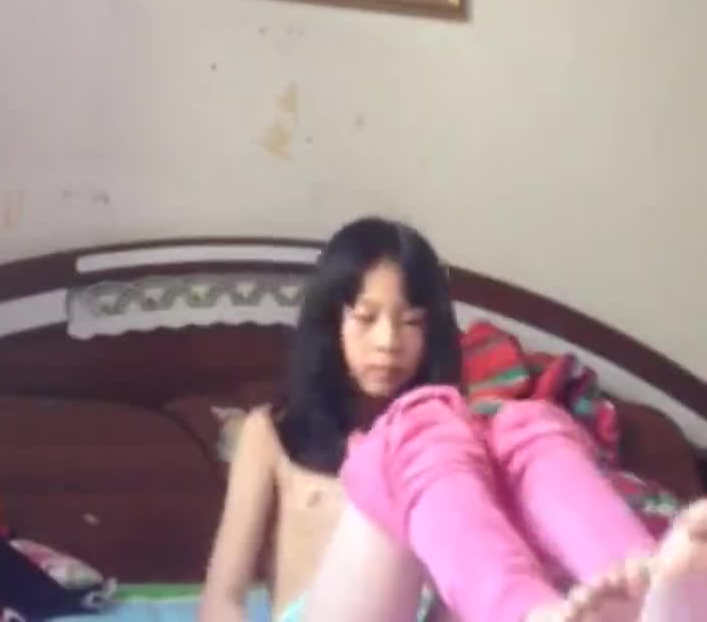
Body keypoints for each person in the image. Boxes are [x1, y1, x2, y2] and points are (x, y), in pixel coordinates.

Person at [199, 218, 707, 622]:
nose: (388, 342)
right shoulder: (272, 432)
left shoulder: (457, 435)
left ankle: (656, 590)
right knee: (418, 425)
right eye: (366, 318)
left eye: (411, 322)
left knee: (524, 423)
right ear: (329, 321)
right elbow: (222, 597)